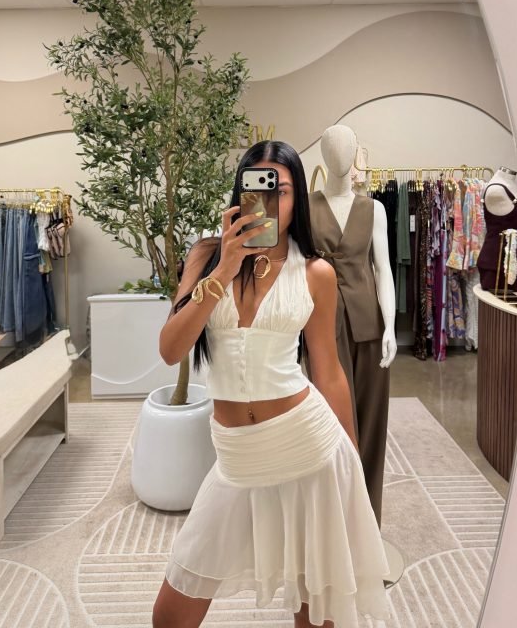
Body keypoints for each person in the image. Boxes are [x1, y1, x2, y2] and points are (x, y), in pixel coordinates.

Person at [153, 140, 390, 628]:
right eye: (256, 188)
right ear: (240, 193)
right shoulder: (206, 256)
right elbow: (171, 349)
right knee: (171, 615)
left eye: (280, 190)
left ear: (296, 197)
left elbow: (328, 371)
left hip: (308, 448)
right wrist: (225, 268)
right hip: (237, 459)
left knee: (316, 613)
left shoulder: (316, 272)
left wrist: (352, 468)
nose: (269, 202)